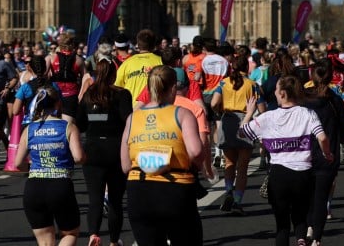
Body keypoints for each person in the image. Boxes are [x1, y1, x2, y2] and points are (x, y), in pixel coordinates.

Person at [240, 75, 331, 246]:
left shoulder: (268, 117)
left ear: (282, 93)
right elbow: (323, 137)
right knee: (301, 215)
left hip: (279, 174)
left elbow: (243, 132)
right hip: (303, 172)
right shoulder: (307, 113)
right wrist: (327, 154)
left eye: (275, 90)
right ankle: (302, 239)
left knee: (282, 225)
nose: (274, 93)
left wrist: (249, 113)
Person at [120, 65, 203, 246]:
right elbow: (196, 151)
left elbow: (125, 165)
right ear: (173, 88)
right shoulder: (182, 114)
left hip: (139, 189)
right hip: (175, 187)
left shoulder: (133, 118)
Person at [13, 85, 84, 246]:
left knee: (45, 241)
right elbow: (78, 157)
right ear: (58, 103)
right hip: (60, 185)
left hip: (34, 187)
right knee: (70, 233)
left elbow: (17, 163)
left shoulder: (29, 129)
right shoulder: (68, 127)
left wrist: (34, 168)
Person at [75, 58, 132, 246]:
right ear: (114, 75)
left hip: (93, 150)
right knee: (115, 200)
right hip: (116, 150)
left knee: (95, 199)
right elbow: (128, 120)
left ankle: (93, 235)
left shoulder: (88, 95)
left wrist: (97, 118)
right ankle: (114, 241)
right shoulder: (122, 94)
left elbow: (80, 124)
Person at [210, 53, 264, 215]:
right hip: (245, 122)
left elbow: (213, 103)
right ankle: (238, 200)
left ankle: (228, 192)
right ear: (246, 68)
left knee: (229, 163)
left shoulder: (224, 83)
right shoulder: (252, 85)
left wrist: (219, 110)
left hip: (228, 120)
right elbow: (262, 110)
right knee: (242, 167)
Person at [303, 59, 344, 245]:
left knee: (306, 196)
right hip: (328, 155)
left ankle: (308, 227)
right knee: (321, 198)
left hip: (304, 153)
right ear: (331, 77)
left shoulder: (304, 99)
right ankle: (316, 240)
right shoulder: (335, 100)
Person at [113, 29, 162, 105]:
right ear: (153, 45)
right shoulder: (161, 62)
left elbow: (117, 87)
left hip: (132, 110)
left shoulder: (126, 63)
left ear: (138, 45)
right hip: (155, 110)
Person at [47, 34, 83, 122]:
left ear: (60, 44)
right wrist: (81, 94)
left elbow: (44, 76)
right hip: (71, 94)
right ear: (72, 45)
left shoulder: (50, 58)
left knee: (53, 123)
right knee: (68, 125)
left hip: (55, 93)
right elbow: (86, 78)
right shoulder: (79, 60)